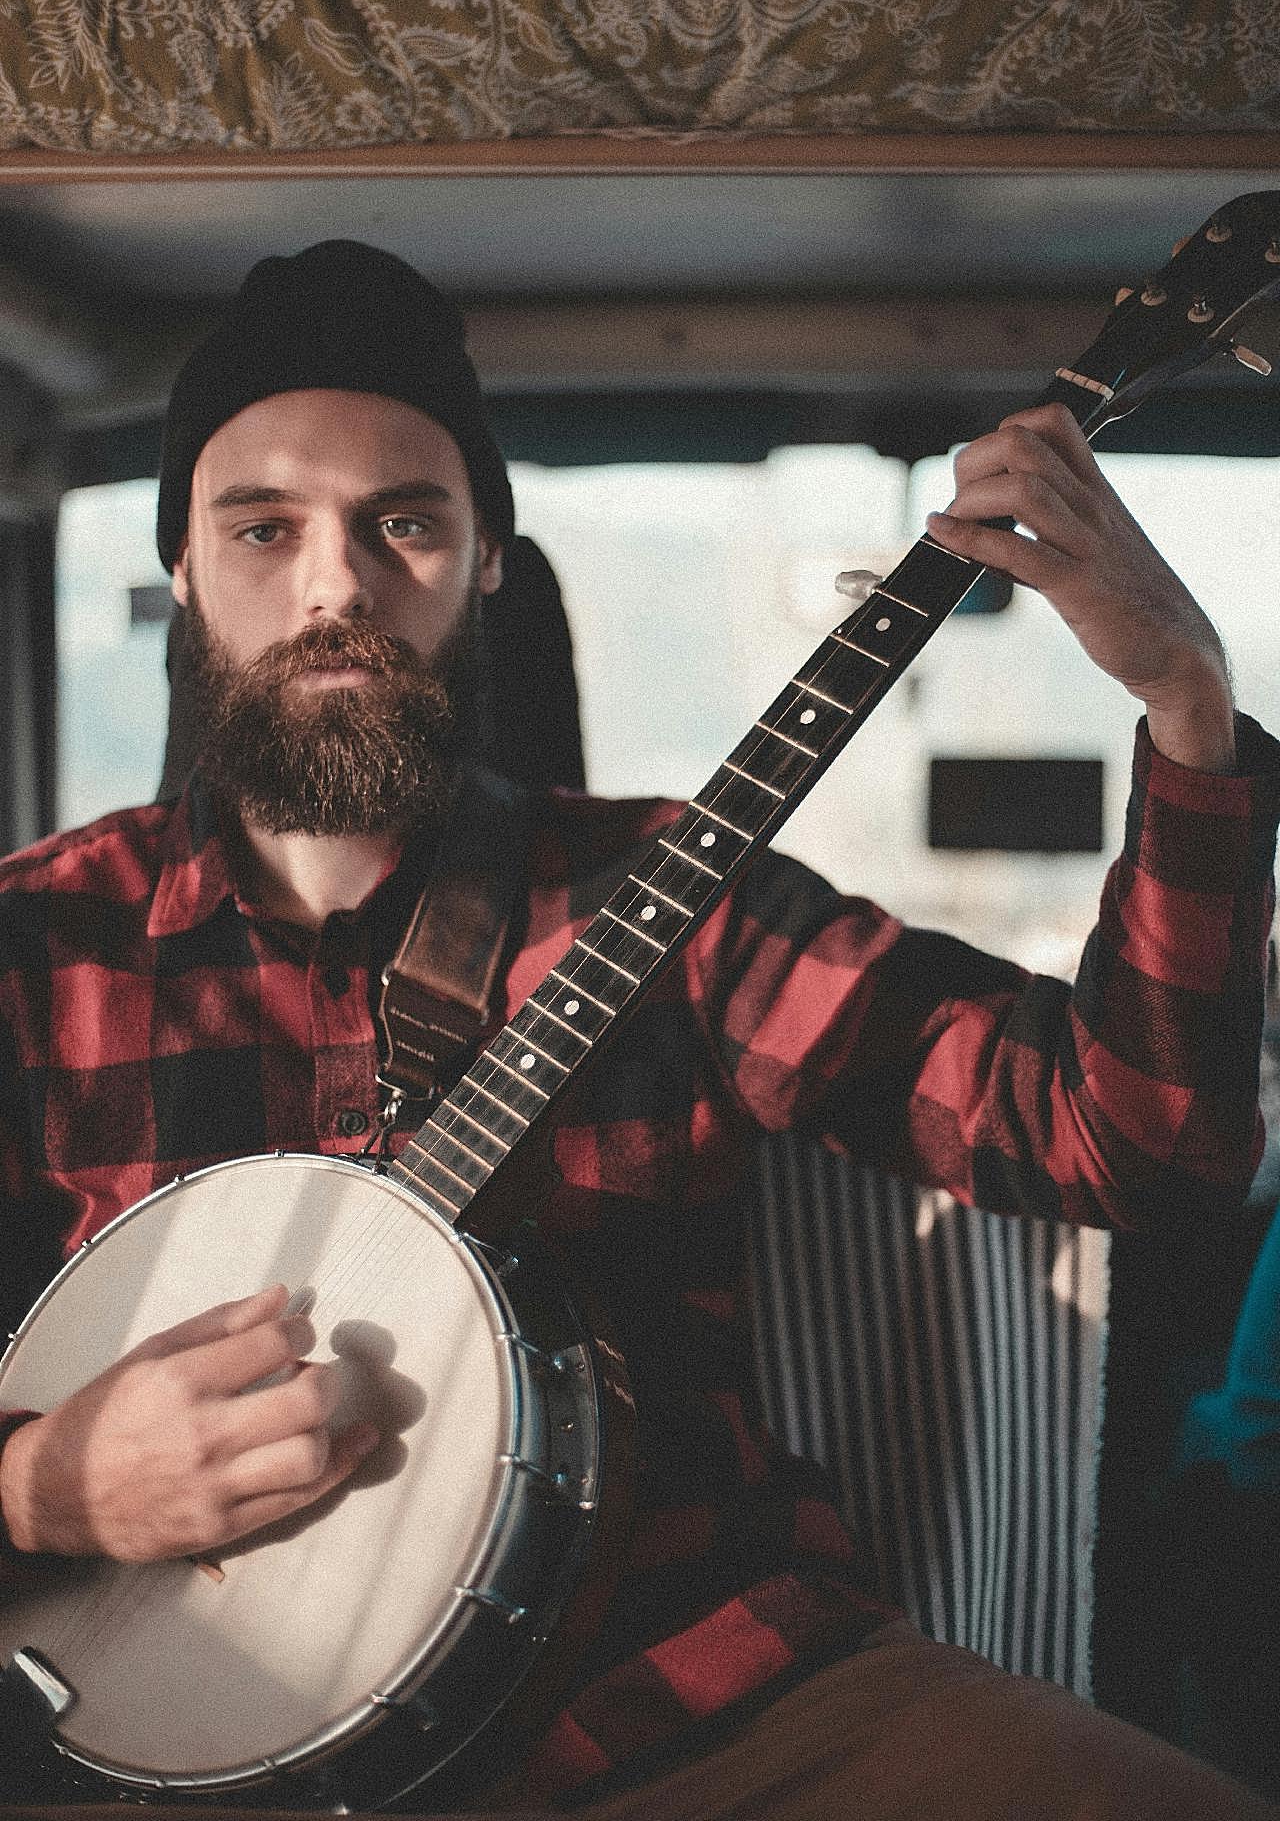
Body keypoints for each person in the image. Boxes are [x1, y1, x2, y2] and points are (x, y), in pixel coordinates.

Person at [0, 238, 1278, 1821]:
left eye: (405, 520)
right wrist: (41, 1484)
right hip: (166, 1750)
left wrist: (1188, 705)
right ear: (184, 567)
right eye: (262, 527)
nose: (335, 583)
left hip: (705, 1697)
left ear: (486, 564)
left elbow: (1138, 1143)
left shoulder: (677, 892)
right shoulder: (28, 948)